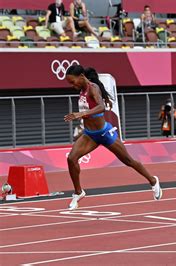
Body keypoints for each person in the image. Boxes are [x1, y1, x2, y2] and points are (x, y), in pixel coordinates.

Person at [64, 65, 163, 210]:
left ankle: (153, 180)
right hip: (90, 135)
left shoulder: (93, 88)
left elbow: (101, 107)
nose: (73, 86)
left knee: (128, 160)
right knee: (71, 158)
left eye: (73, 82)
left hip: (104, 133)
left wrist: (80, 114)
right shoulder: (82, 90)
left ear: (81, 77)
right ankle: (78, 192)